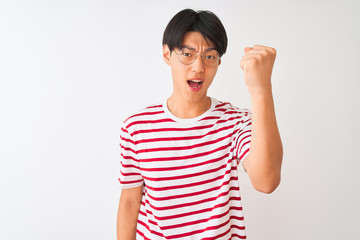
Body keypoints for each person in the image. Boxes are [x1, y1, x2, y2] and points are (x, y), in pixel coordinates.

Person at [116, 8, 283, 240]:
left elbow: (266, 182)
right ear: (167, 55)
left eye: (210, 56)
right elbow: (128, 204)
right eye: (187, 54)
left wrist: (261, 89)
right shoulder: (137, 127)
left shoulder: (235, 121)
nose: (198, 67)